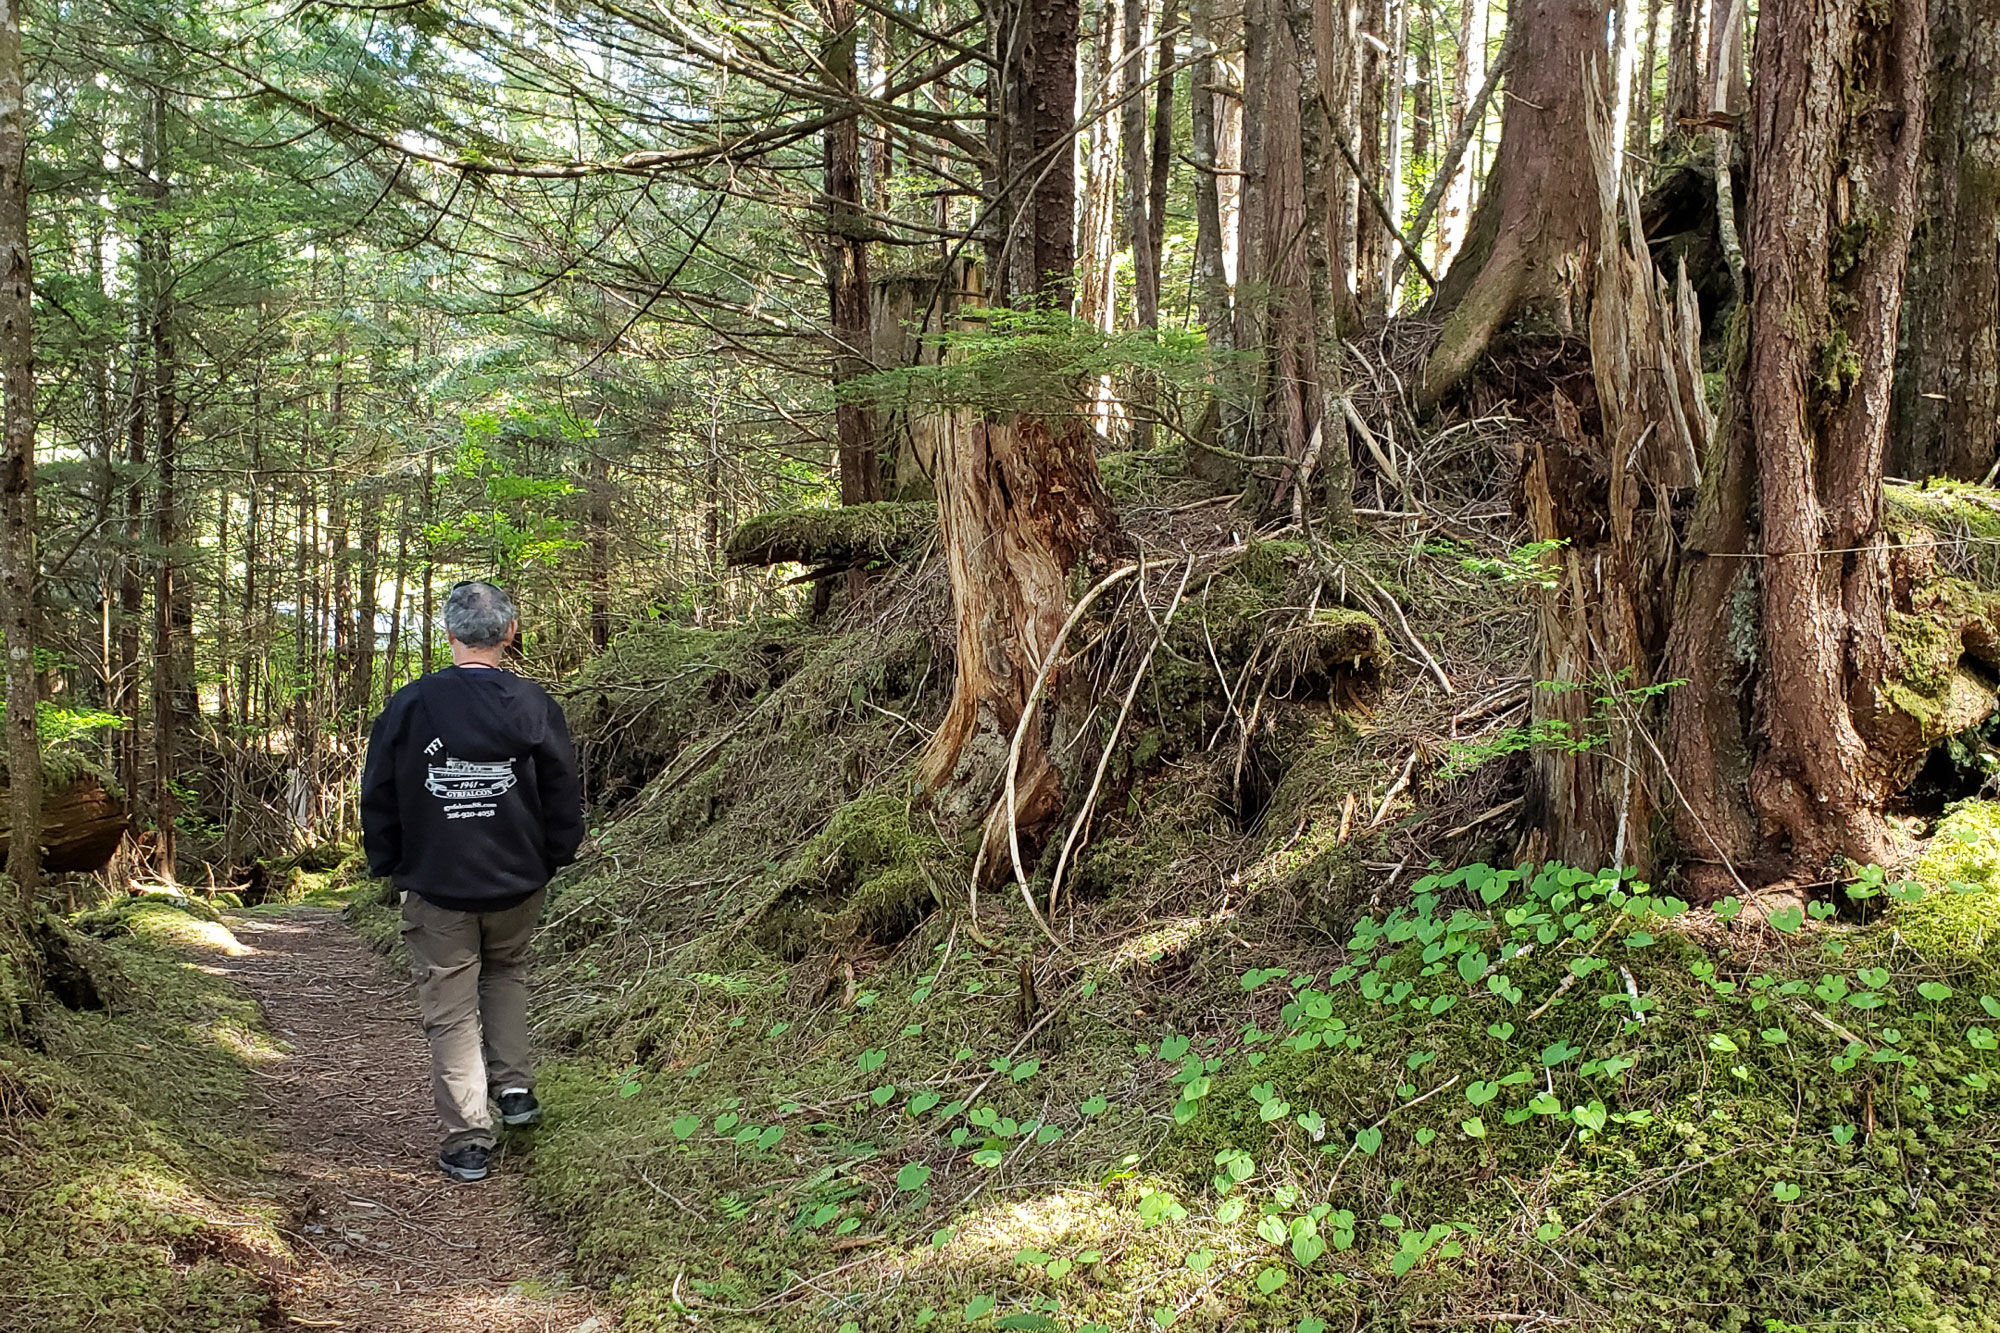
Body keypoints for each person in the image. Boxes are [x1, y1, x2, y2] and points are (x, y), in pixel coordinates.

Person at [360, 580, 585, 1182]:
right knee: (507, 974)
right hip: (518, 879)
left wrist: (387, 862)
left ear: (451, 634)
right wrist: (555, 855)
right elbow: (563, 790)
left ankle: (468, 1137)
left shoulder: (412, 703)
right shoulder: (534, 703)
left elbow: (378, 787)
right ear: (509, 633)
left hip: (438, 884)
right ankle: (514, 1091)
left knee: (451, 1006)